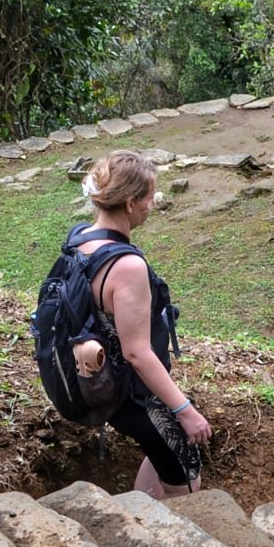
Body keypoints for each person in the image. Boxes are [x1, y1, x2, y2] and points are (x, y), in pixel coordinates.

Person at [68, 152, 210, 499]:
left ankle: (143, 511)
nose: (152, 204)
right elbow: (136, 353)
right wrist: (186, 411)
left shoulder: (80, 239)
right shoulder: (127, 266)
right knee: (186, 481)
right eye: (149, 196)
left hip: (100, 384)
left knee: (159, 449)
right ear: (130, 203)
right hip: (133, 394)